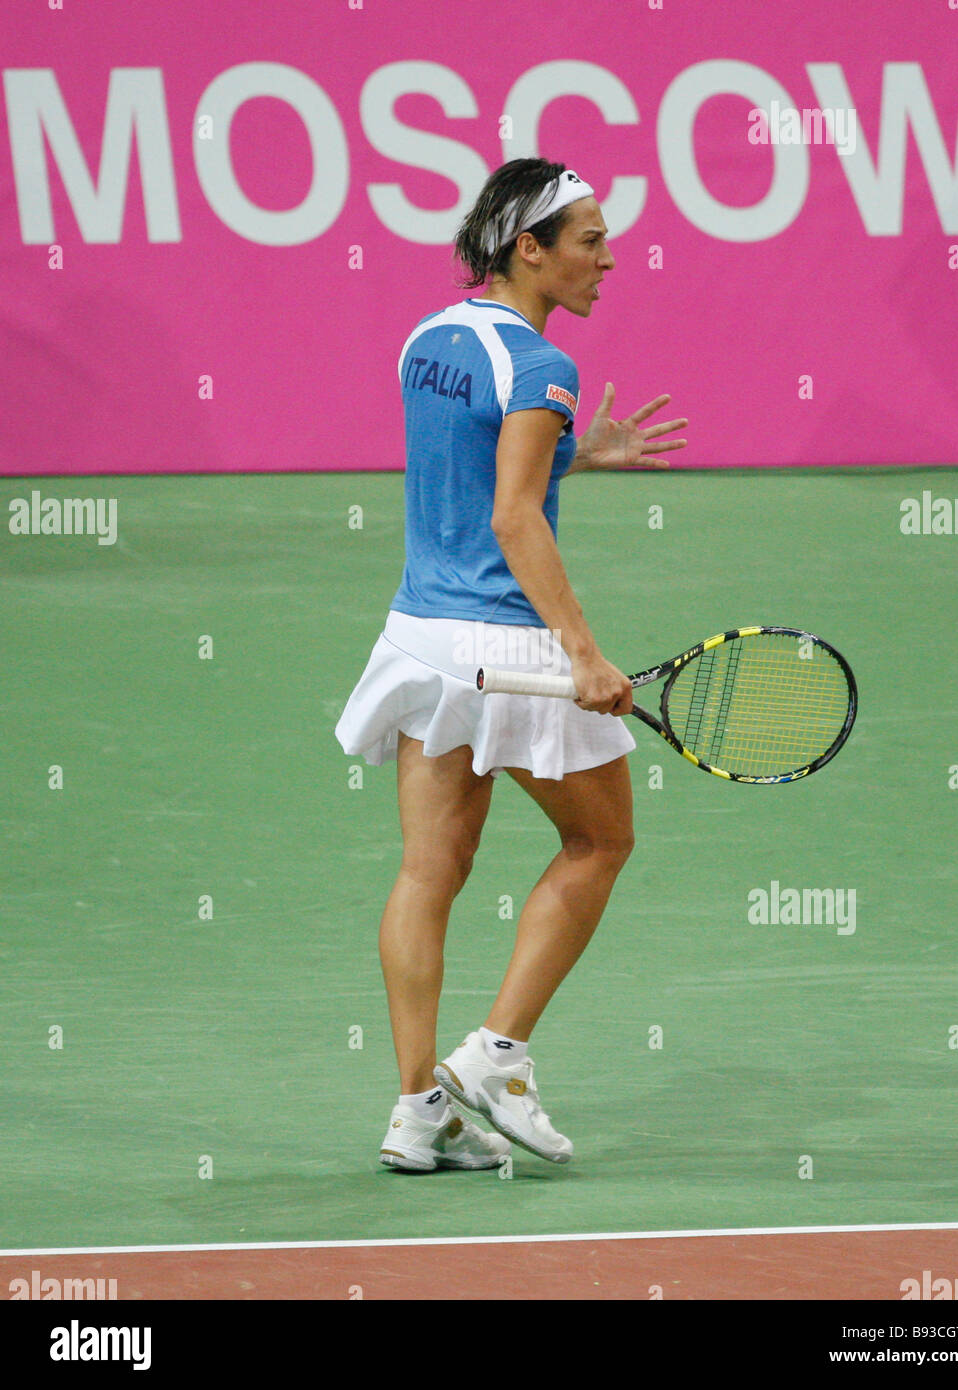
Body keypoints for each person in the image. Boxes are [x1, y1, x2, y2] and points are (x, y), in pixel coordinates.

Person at [335, 157, 687, 1171]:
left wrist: (584, 451)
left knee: (428, 870)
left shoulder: (427, 338)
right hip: (506, 641)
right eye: (588, 242)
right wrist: (585, 653)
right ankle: (497, 1053)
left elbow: (471, 459)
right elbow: (511, 512)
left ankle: (416, 1114)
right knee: (601, 839)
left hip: (417, 638)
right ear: (527, 248)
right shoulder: (543, 368)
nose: (609, 261)